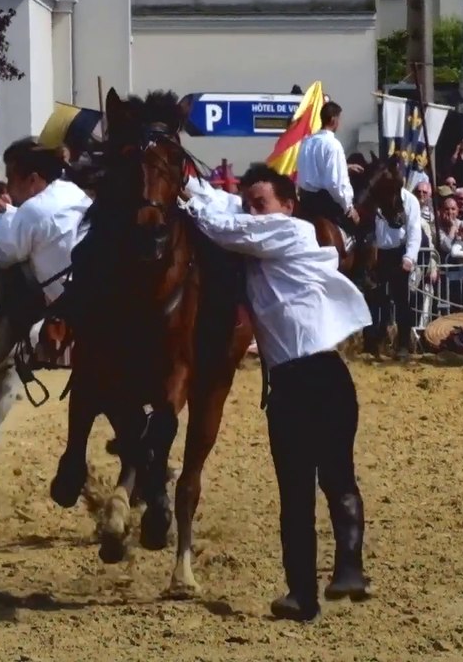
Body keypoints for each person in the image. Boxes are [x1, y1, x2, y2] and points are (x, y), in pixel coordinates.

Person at [178, 163, 372, 621]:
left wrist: (191, 205)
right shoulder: (267, 233)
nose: (252, 212)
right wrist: (189, 185)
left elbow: (225, 225)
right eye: (249, 205)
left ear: (288, 206)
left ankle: (346, 569)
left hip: (315, 375)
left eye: (260, 204)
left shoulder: (292, 233)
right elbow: (228, 208)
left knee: (332, 478)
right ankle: (307, 590)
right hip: (290, 381)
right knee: (299, 492)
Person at [0, 140, 91, 342]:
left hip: (74, 309)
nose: (9, 187)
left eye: (11, 179)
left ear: (32, 179)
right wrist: (3, 207)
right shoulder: (70, 191)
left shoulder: (35, 211)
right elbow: (29, 223)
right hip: (93, 293)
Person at [364, 174, 421, 360]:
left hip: (398, 253)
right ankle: (373, 342)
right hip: (379, 253)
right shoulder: (377, 200)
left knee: (401, 301)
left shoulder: (411, 201)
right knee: (375, 299)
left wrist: (409, 257)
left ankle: (403, 344)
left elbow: (414, 232)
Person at [296, 101, 358, 235]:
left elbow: (311, 168)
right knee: (358, 231)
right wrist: (348, 207)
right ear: (333, 120)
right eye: (339, 119)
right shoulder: (333, 145)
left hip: (306, 201)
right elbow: (334, 183)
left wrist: (345, 167)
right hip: (325, 203)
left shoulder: (307, 142)